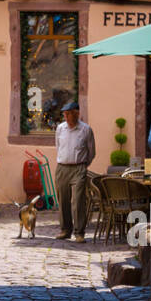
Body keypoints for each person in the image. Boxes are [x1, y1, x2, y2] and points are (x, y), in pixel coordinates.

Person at [53, 100, 96, 243]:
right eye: (64, 114)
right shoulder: (60, 128)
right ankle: (65, 229)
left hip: (79, 167)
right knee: (63, 199)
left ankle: (79, 232)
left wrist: (83, 165)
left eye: (69, 114)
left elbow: (91, 152)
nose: (66, 117)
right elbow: (58, 146)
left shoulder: (86, 130)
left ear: (76, 114)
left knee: (78, 200)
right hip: (62, 167)